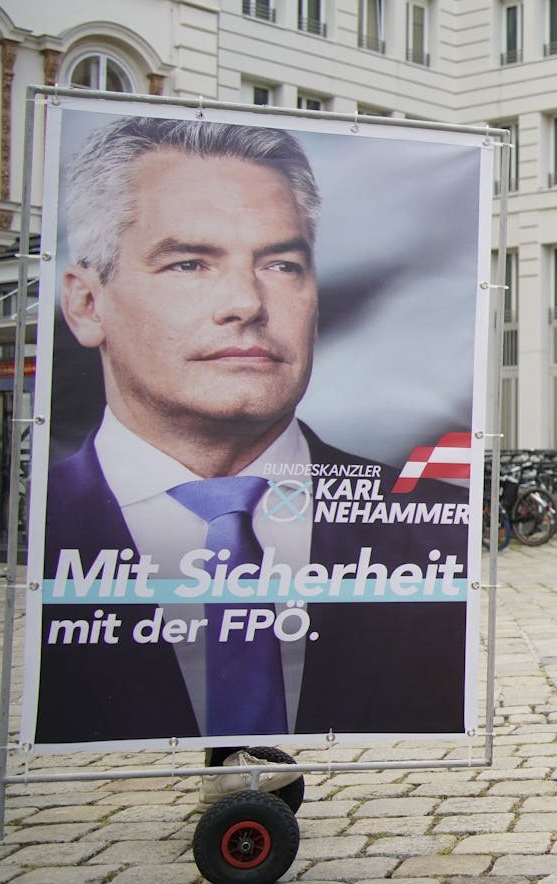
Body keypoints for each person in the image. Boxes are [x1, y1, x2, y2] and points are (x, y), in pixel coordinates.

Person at [39, 116, 469, 799]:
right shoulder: (44, 534)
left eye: (280, 264)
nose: (246, 303)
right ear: (87, 303)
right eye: (190, 263)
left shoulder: (439, 529)